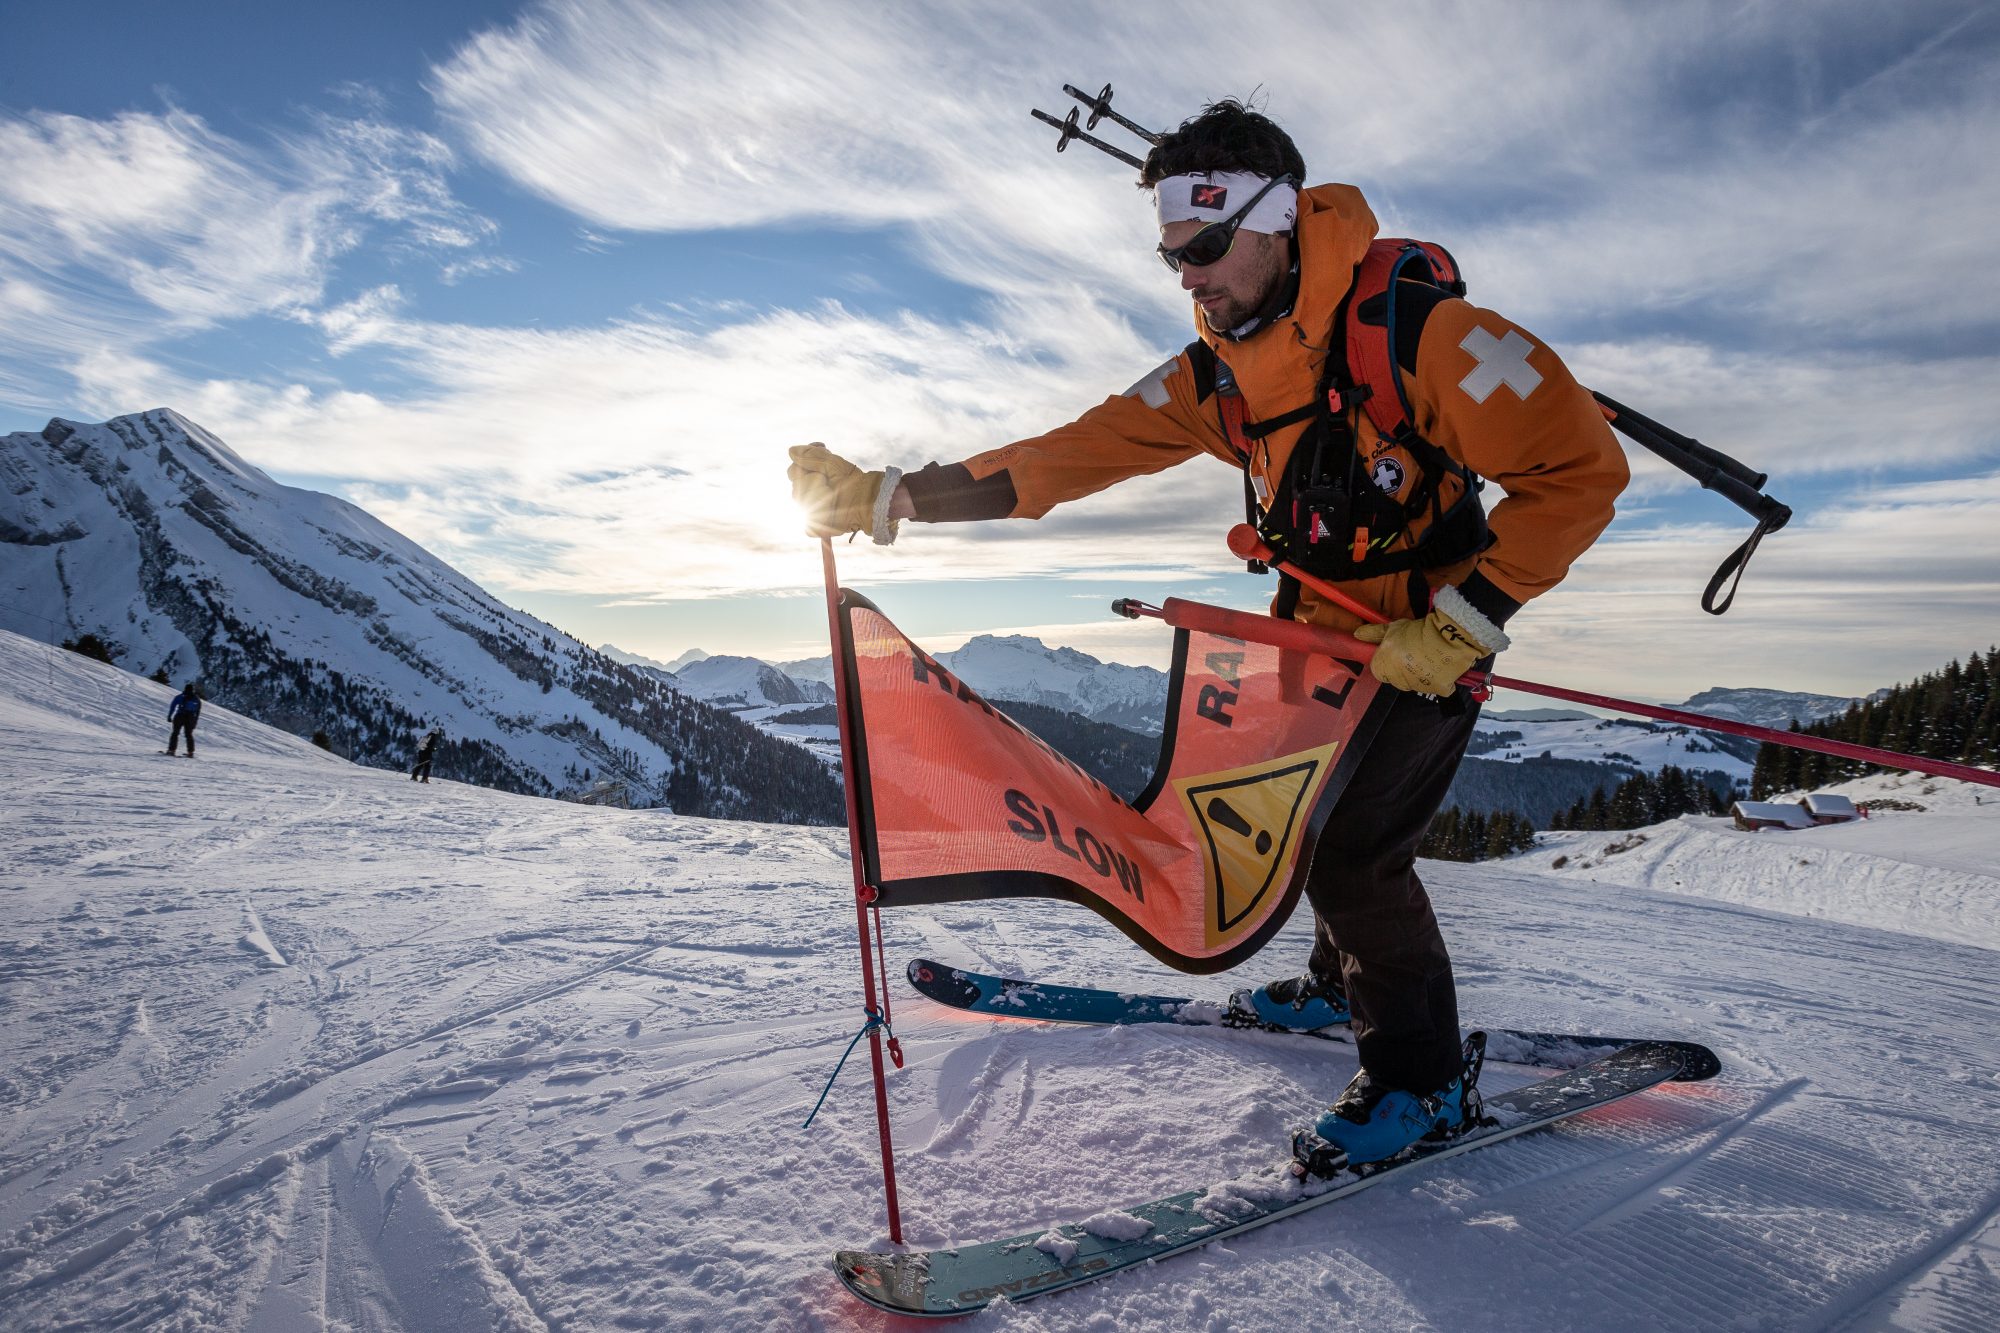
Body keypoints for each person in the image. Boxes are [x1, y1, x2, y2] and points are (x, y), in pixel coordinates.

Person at [787, 100, 1628, 1165]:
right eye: (1171, 253)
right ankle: (1335, 991)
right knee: (1299, 827)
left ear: (1278, 222)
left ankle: (1421, 1085)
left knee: (1357, 859)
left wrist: (1468, 619)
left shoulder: (1430, 340)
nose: (1187, 274)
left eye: (1207, 247)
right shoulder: (1217, 371)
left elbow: (1580, 472)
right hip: (1310, 644)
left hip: (1423, 645)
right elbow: (1071, 453)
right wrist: (896, 495)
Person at [166, 681, 202, 757]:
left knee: (175, 733)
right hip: (190, 718)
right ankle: (190, 752)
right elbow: (198, 711)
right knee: (189, 734)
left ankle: (171, 750)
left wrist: (169, 716)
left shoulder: (180, 697)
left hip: (180, 716)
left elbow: (173, 706)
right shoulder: (196, 699)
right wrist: (195, 722)